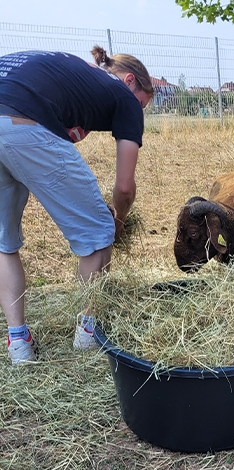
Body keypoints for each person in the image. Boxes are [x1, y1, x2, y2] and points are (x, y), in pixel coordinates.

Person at [0, 47, 154, 364]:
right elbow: (124, 188)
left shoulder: (74, 72)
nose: (137, 111)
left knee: (4, 242)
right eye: (142, 104)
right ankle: (89, 334)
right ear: (130, 81)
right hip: (23, 120)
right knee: (99, 232)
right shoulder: (123, 97)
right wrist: (119, 219)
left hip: (11, 107)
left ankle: (18, 342)